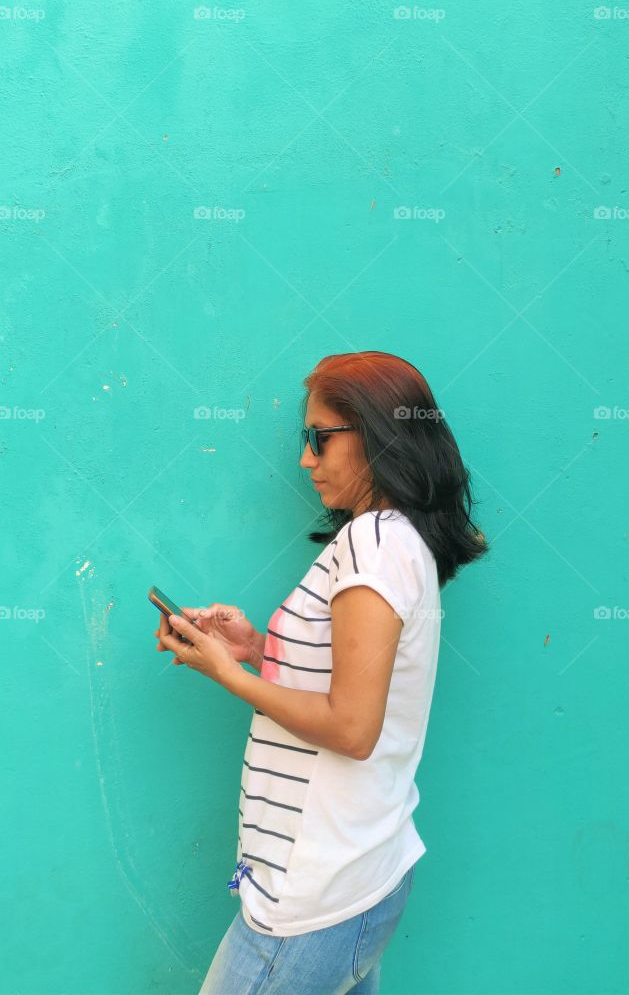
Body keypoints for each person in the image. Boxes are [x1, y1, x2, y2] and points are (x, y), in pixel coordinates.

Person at [154, 351, 488, 994]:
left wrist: (228, 673)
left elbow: (353, 727)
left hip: (316, 897)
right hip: (353, 876)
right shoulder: (389, 541)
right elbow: (350, 681)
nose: (305, 459)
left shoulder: (375, 545)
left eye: (319, 438)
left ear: (378, 437)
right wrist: (255, 646)